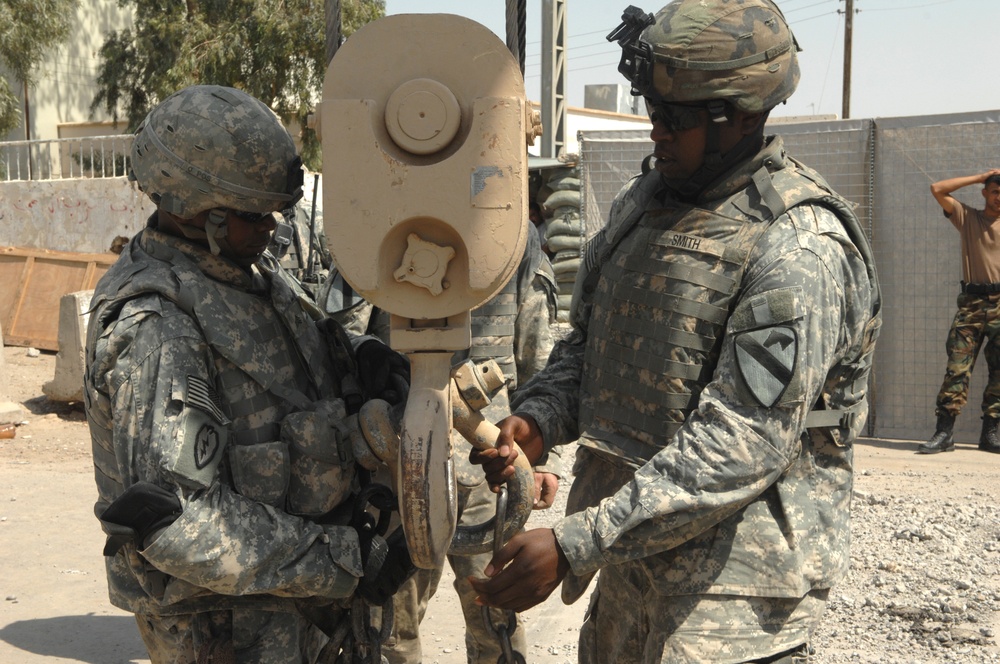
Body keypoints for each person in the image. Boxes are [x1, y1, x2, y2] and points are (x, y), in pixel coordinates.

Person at [468, 2, 882, 662]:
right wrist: (540, 418)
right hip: (632, 578)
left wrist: (576, 542)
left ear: (742, 115)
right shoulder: (648, 205)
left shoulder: (799, 247)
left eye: (676, 117)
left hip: (731, 611)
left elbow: (742, 441)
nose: (654, 128)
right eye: (652, 107)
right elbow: (592, 342)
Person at [83, 85, 413, 663]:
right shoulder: (157, 326)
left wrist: (360, 357)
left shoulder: (246, 273)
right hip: (228, 632)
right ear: (198, 211)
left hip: (296, 612)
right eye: (253, 215)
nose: (271, 228)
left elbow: (298, 349)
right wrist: (343, 561)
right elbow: (178, 523)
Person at [317, 226, 561, 663]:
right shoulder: (382, 225)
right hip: (400, 466)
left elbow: (536, 354)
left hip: (492, 463)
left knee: (496, 617)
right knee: (390, 623)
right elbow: (338, 340)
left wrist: (543, 456)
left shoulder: (515, 234)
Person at [919, 169, 1000, 455]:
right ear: (985, 193)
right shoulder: (969, 219)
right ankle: (944, 433)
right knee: (957, 368)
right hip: (972, 305)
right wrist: (980, 176)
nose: (999, 198)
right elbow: (937, 188)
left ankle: (990, 434)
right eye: (994, 192)